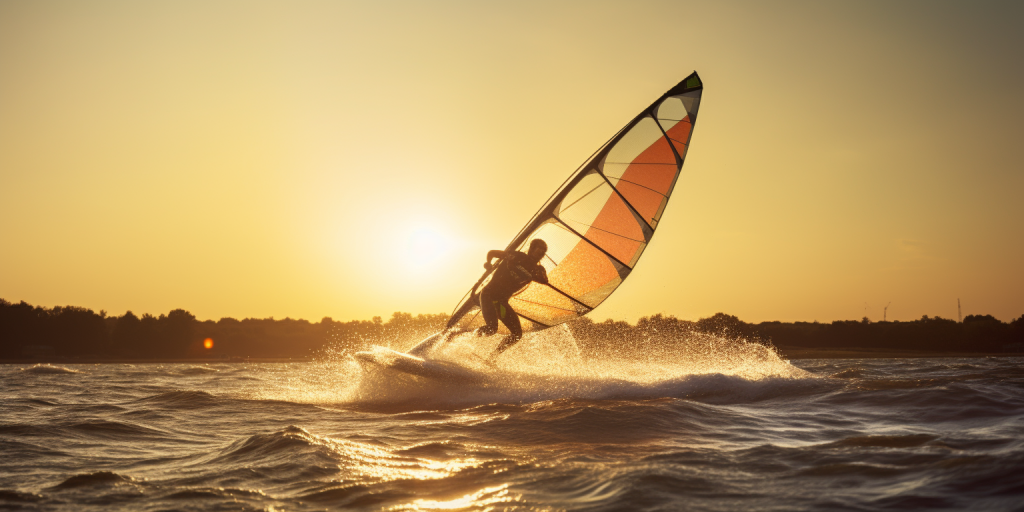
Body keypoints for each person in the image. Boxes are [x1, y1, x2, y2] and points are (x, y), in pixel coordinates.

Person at [476, 238, 549, 357]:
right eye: (539, 251)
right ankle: (461, 337)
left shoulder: (538, 269)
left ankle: (492, 357)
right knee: (491, 328)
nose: (541, 254)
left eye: (543, 252)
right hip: (488, 295)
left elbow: (544, 280)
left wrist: (533, 276)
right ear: (531, 249)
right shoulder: (516, 256)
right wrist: (488, 263)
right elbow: (492, 253)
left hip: (501, 303)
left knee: (517, 334)